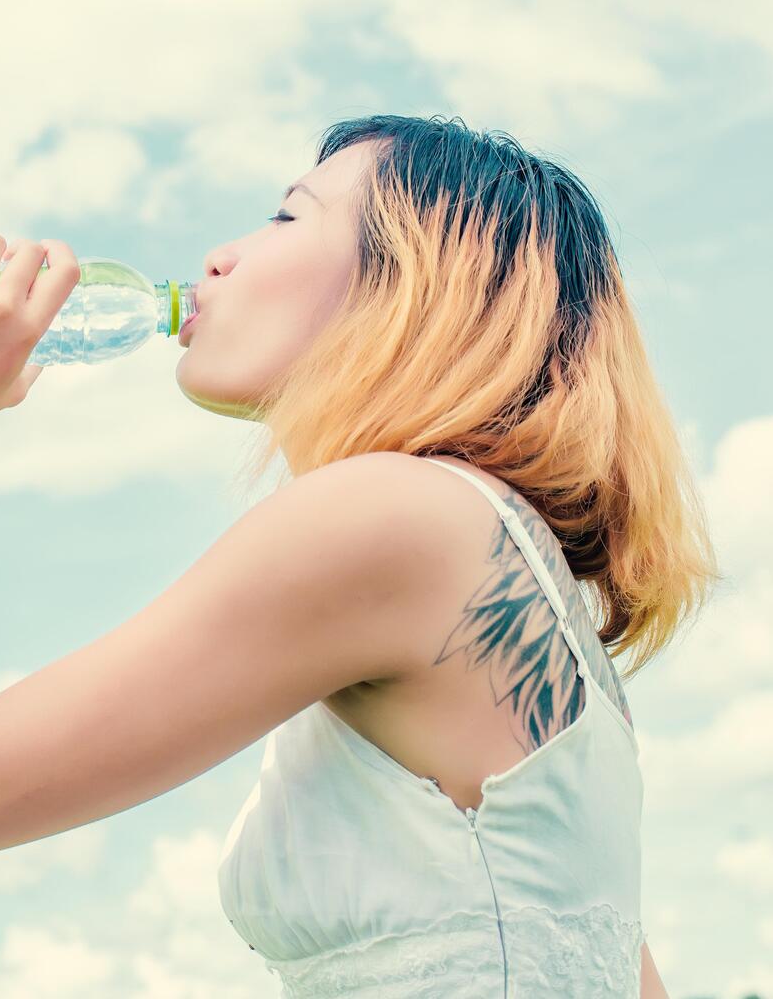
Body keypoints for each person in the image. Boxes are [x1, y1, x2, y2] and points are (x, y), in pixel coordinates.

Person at [193, 113, 718, 997]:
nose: (219, 257)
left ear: (409, 286)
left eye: (288, 217)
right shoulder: (529, 596)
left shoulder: (392, 513)